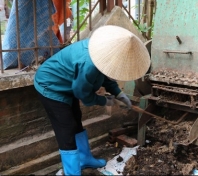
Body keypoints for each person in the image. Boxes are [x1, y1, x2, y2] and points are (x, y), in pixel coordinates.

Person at [34, 25, 151, 175]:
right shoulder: (88, 63)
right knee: (67, 128)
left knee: (76, 120)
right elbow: (82, 93)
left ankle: (84, 159)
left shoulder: (102, 54)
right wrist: (107, 101)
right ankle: (72, 172)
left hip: (68, 84)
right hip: (51, 86)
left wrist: (118, 93)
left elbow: (104, 75)